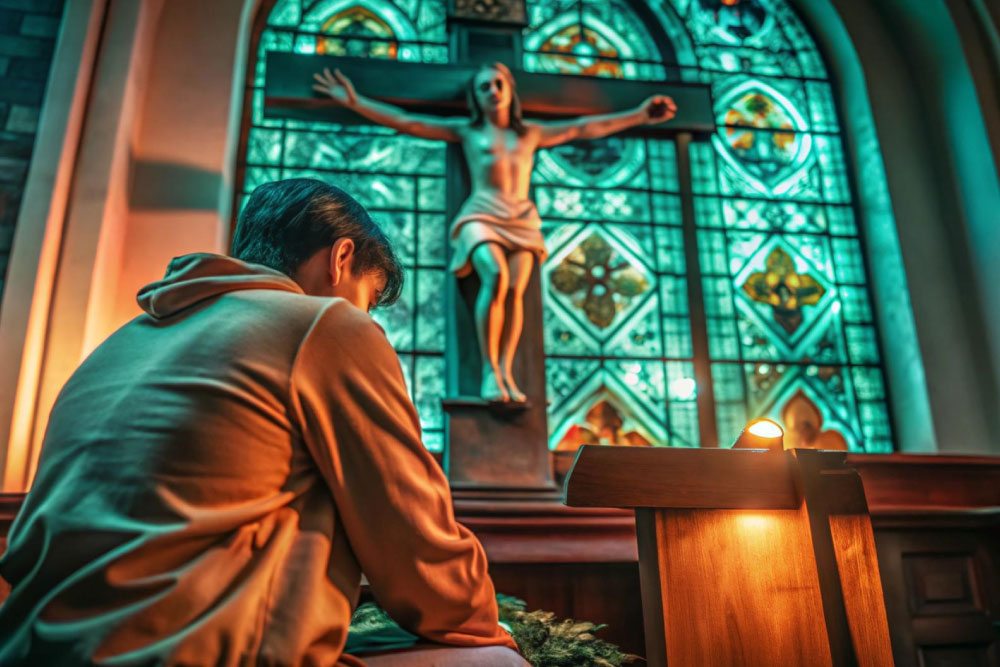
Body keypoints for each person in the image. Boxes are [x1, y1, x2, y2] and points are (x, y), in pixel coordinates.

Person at [0, 179, 525, 666]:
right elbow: (418, 548)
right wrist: (487, 624)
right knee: (495, 660)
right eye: (367, 303)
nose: (365, 320)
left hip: (34, 646)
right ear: (341, 257)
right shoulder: (326, 323)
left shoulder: (117, 342)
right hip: (180, 653)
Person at [313, 63, 677, 403]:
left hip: (520, 216)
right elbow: (410, 122)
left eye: (499, 83)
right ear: (476, 96)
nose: (493, 90)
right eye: (484, 86)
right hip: (482, 214)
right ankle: (490, 372)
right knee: (497, 276)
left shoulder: (530, 133)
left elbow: (582, 128)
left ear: (510, 91)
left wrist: (640, 115)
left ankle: (505, 372)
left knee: (516, 290)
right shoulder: (468, 131)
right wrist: (355, 101)